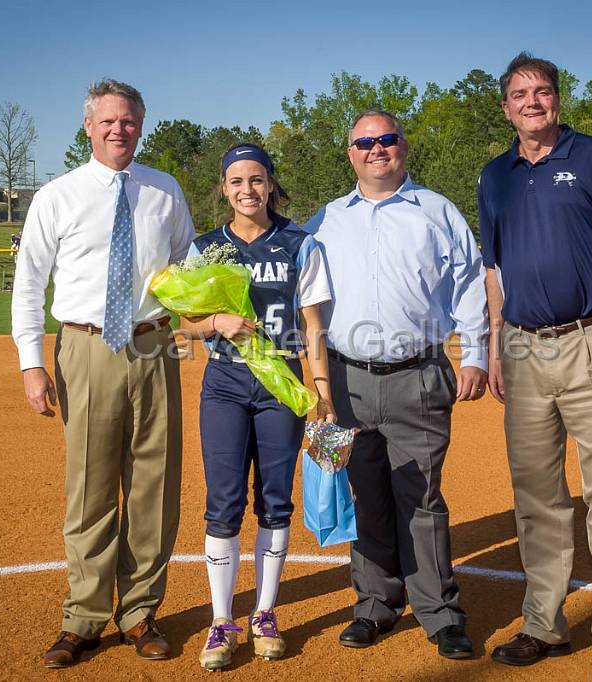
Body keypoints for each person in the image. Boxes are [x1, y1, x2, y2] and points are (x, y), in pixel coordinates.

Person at [478, 53, 592, 682]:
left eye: (543, 91)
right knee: (537, 496)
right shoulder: (494, 176)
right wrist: (497, 341)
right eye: (520, 94)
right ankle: (544, 623)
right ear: (506, 107)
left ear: (557, 100)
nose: (533, 102)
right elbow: (493, 269)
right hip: (523, 348)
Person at [11, 79, 195, 669]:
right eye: (108, 121)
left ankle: (141, 611)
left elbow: (189, 266)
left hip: (154, 344)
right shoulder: (58, 195)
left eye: (130, 121)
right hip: (84, 346)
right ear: (87, 126)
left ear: (141, 125)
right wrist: (31, 362)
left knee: (154, 485)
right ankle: (84, 618)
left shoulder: (164, 192)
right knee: (90, 486)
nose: (120, 129)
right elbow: (30, 283)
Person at [305, 110, 488, 660]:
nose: (376, 149)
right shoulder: (326, 219)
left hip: (419, 373)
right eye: (365, 142)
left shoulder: (437, 211)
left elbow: (471, 286)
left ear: (403, 147)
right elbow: (304, 297)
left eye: (386, 140)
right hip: (345, 379)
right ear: (350, 153)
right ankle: (375, 606)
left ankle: (439, 612)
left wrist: (476, 355)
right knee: (366, 497)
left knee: (423, 497)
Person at [177, 143, 335, 671]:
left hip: (281, 384)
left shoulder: (300, 243)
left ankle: (265, 612)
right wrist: (215, 323)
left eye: (257, 179)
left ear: (271, 184)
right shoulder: (206, 249)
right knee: (222, 503)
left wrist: (322, 394)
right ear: (224, 188)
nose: (248, 190)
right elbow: (186, 325)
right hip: (224, 382)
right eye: (237, 181)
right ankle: (222, 619)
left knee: (275, 499)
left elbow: (314, 327)